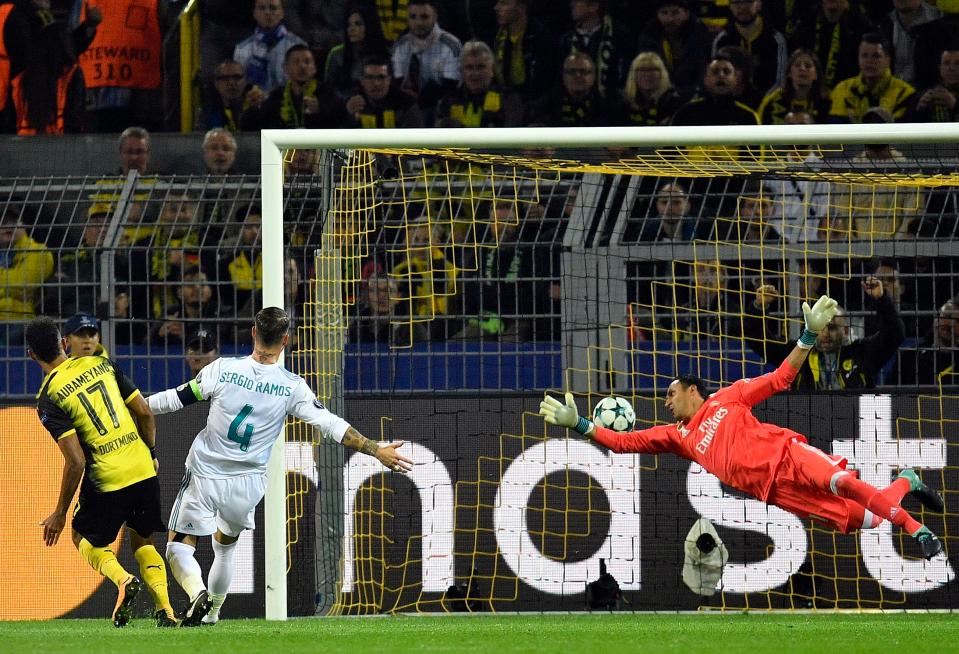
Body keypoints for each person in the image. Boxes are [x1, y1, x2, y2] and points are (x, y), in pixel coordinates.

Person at [539, 295, 946, 560]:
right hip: (775, 490)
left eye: (671, 392)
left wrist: (805, 335)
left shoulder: (729, 397)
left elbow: (781, 378)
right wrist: (578, 423)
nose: (666, 402)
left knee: (842, 482)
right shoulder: (677, 437)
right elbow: (622, 442)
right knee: (868, 520)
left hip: (788, 455)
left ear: (693, 390)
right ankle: (906, 481)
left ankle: (918, 531)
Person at [147, 307, 413, 625]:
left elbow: (175, 399)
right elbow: (331, 425)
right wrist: (374, 448)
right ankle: (214, 612)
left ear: (253, 332)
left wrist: (132, 407)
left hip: (205, 472)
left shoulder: (222, 369)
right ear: (286, 340)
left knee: (179, 547)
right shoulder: (292, 387)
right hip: (247, 483)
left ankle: (197, 594)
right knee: (225, 548)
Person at [26, 315, 179, 627]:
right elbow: (145, 413)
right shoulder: (102, 364)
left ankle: (123, 581)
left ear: (31, 355)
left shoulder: (49, 399)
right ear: (62, 343)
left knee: (81, 534)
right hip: (141, 466)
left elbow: (77, 461)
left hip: (108, 475)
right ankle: (167, 611)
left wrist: (59, 512)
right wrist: (149, 453)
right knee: (143, 539)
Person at [744, 275, 905, 390]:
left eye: (832, 327)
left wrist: (882, 299)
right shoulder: (798, 355)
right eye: (820, 328)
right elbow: (759, 342)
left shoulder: (863, 353)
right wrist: (758, 307)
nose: (825, 333)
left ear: (846, 330)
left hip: (855, 425)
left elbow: (895, 334)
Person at [240, 44, 345, 129]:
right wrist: (252, 108)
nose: (302, 66)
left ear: (314, 68)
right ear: (285, 68)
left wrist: (322, 109)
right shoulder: (276, 98)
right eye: (296, 62)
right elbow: (247, 127)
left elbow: (343, 122)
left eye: (307, 62)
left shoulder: (328, 94)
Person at [391, 0, 462, 120]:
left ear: (435, 17)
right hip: (407, 108)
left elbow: (452, 87)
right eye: (413, 17)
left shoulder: (451, 45)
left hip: (440, 109)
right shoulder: (400, 45)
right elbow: (396, 82)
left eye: (424, 17)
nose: (418, 22)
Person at [710, 0, 788, 102]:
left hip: (766, 103)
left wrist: (762, 103)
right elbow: (714, 78)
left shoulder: (775, 39)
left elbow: (780, 82)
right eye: (736, 2)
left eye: (748, 1)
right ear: (730, 6)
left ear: (759, 4)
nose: (742, 7)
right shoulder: (722, 40)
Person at [829, 32, 915, 123]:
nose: (869, 61)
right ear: (858, 59)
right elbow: (837, 128)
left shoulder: (904, 93)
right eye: (864, 56)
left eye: (876, 56)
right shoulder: (843, 89)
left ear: (888, 60)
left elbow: (900, 131)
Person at [435, 40, 523, 127]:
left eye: (481, 67)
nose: (475, 73)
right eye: (469, 68)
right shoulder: (448, 102)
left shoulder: (508, 98)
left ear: (492, 70)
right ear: (461, 72)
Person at [558, 0, 634, 99]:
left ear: (593, 6)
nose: (572, 4)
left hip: (610, 105)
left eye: (577, 1)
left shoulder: (620, 36)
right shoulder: (567, 40)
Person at [635, 0, 713, 96]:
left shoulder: (701, 36)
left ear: (686, 13)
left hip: (693, 95)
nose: (670, 19)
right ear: (657, 14)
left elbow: (703, 74)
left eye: (675, 12)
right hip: (659, 95)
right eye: (664, 13)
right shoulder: (649, 36)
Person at [232, 0, 307, 95]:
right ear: (254, 14)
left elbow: (305, 86)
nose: (267, 12)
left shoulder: (299, 46)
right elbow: (239, 89)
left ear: (282, 13)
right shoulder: (242, 49)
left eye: (273, 8)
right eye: (262, 8)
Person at [490, 0, 559, 103]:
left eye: (504, 3)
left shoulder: (541, 37)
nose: (496, 8)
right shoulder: (498, 36)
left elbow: (545, 83)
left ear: (521, 7)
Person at [323, 3, 389, 104]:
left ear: (369, 25)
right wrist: (348, 100)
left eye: (358, 24)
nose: (351, 29)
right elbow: (329, 89)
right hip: (343, 108)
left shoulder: (383, 54)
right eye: (349, 25)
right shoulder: (336, 55)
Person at [344, 55, 425, 128]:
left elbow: (416, 140)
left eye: (381, 77)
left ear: (389, 80)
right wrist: (346, 114)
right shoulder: (353, 104)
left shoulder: (406, 104)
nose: (376, 83)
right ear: (362, 81)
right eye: (370, 77)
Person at [896, 294, 959, 386]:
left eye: (956, 320)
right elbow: (893, 393)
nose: (948, 323)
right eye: (946, 315)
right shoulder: (911, 355)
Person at [757, 49, 831, 125]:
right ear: (789, 73)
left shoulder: (826, 102)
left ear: (816, 75)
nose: (802, 68)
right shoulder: (772, 100)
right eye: (797, 65)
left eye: (808, 66)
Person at [612, 51, 685, 126]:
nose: (647, 75)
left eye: (652, 69)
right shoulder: (622, 103)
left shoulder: (673, 103)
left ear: (662, 74)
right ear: (633, 75)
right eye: (642, 70)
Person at [910, 49, 959, 122]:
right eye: (946, 63)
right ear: (940, 68)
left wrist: (955, 105)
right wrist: (919, 110)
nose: (952, 68)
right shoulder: (925, 95)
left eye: (957, 63)